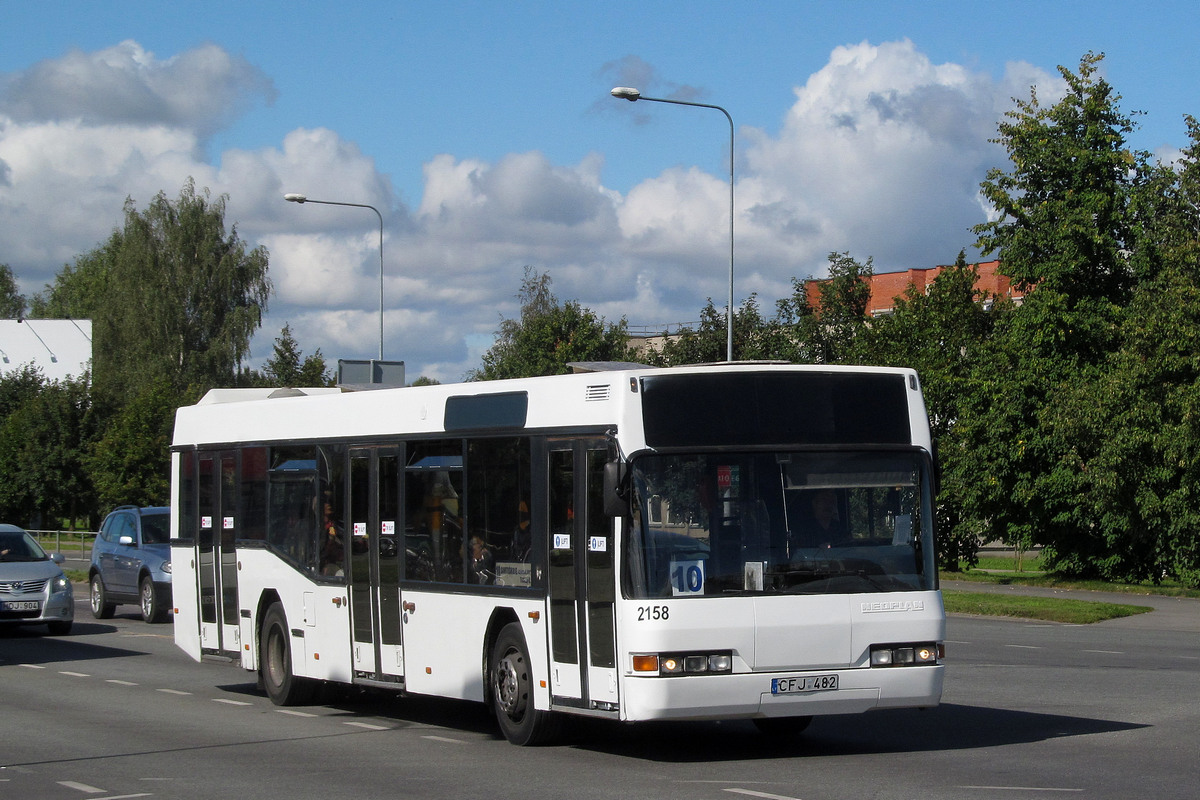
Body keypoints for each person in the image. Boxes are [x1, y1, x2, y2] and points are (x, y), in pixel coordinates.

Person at [319, 501, 345, 576]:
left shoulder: (335, 524)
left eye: (330, 502)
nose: (329, 505)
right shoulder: (316, 525)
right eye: (325, 502)